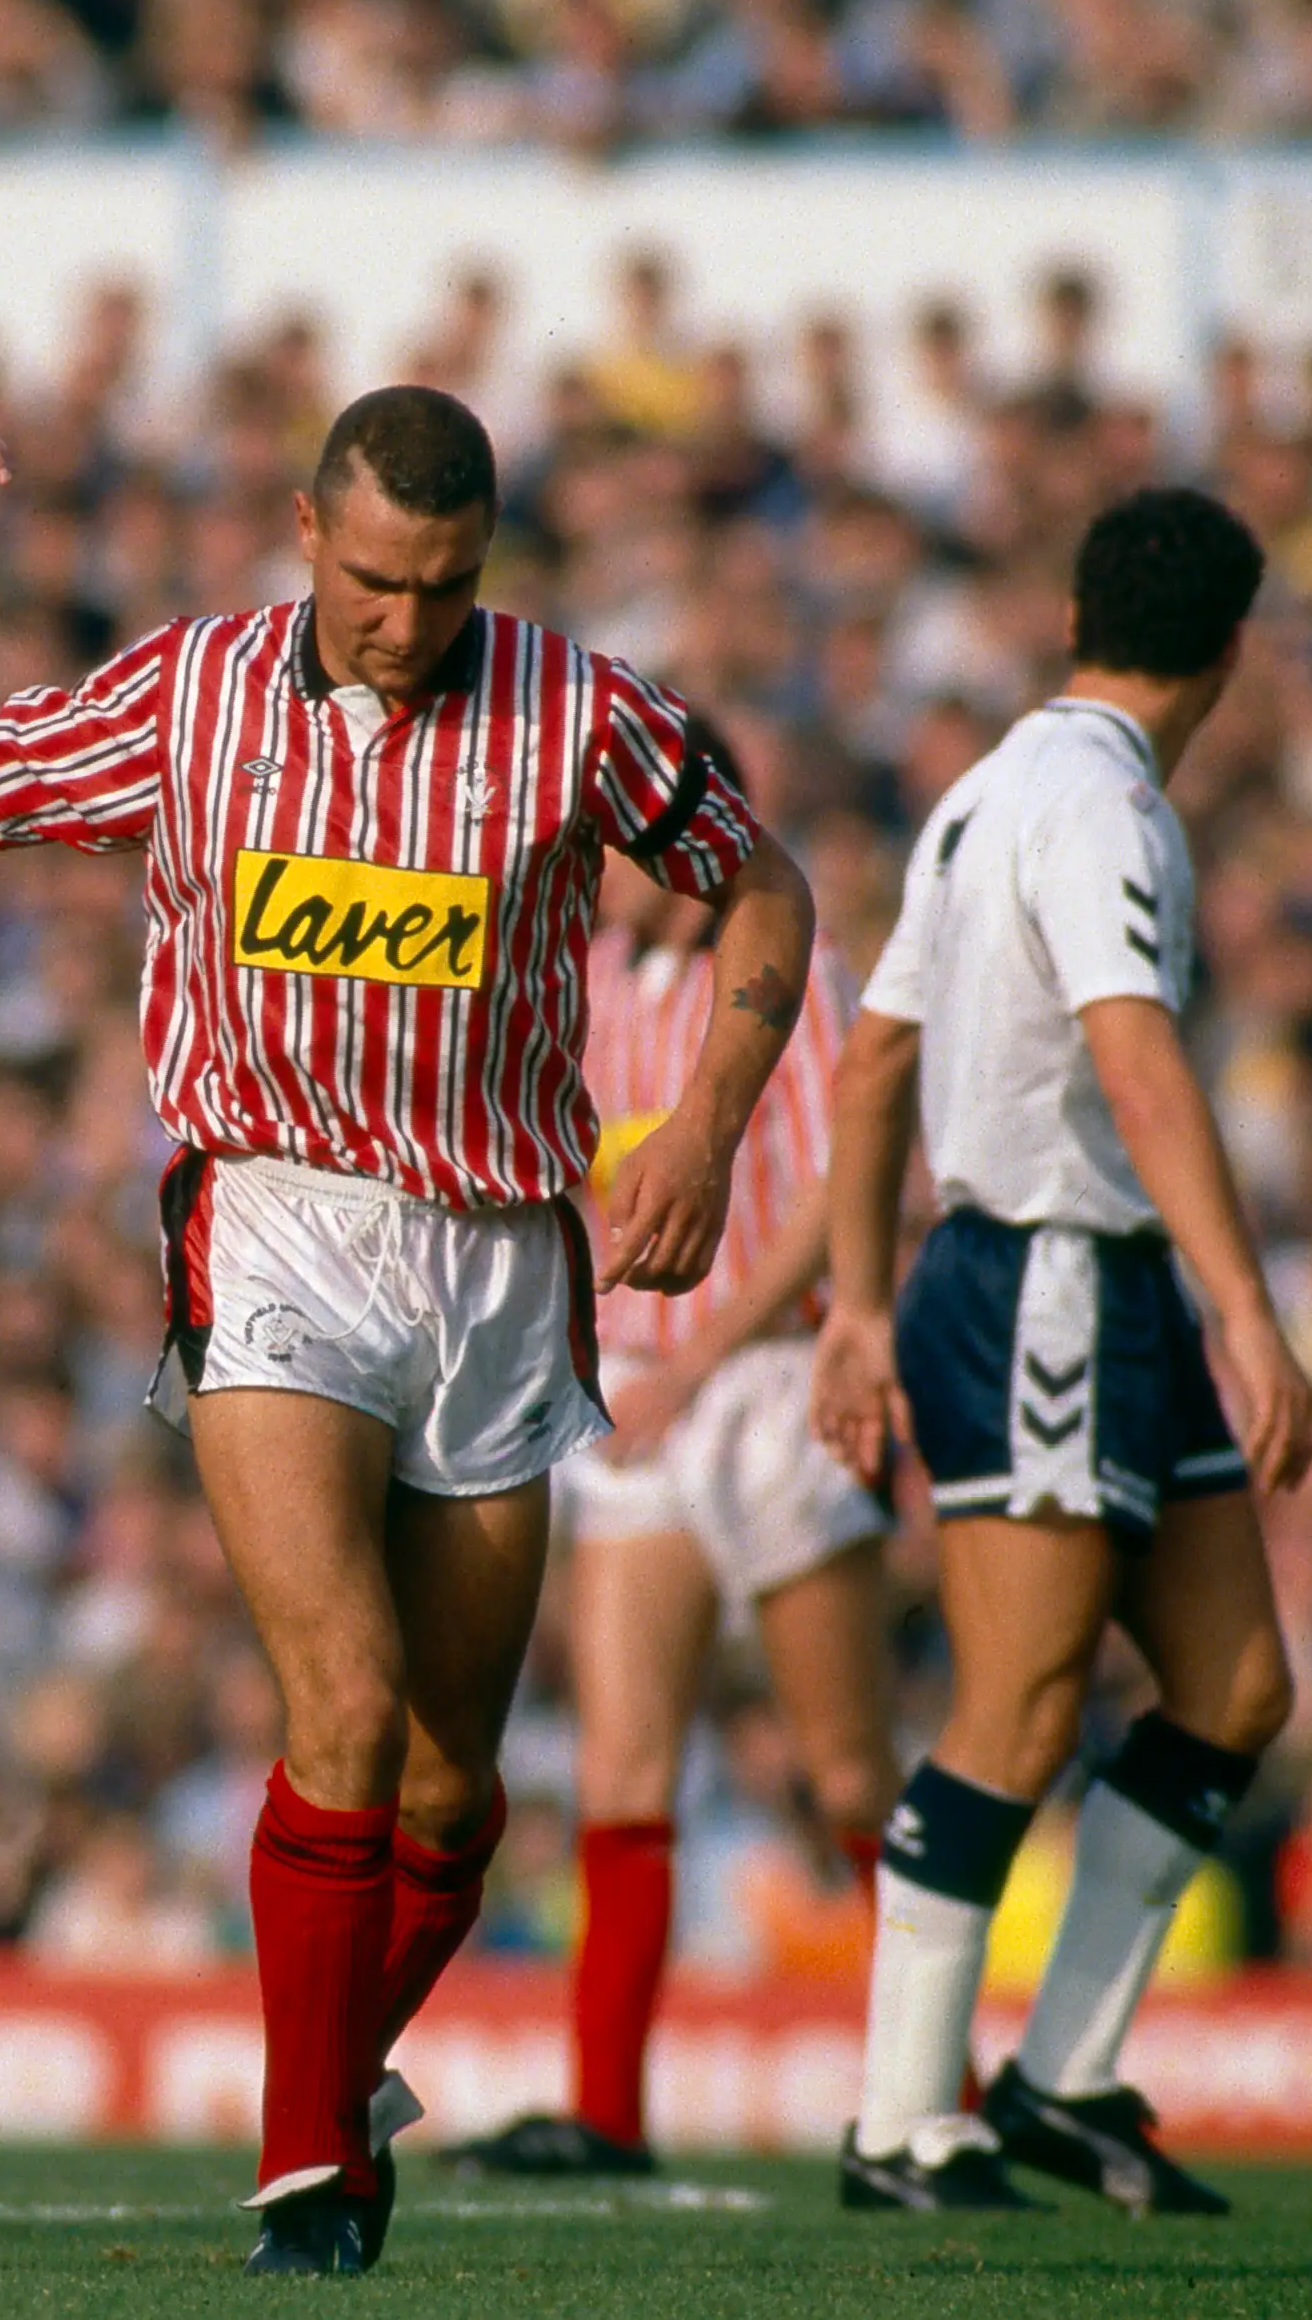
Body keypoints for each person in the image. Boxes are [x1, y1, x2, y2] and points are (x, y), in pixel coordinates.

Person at [0, 383, 817, 2273]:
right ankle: (307, 2172)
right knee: (335, 1699)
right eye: (378, 578)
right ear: (302, 524)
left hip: (500, 1252)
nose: (405, 621)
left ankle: (334, 2085)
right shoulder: (197, 690)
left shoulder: (578, 711)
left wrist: (716, 1127)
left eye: (445, 583)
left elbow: (761, 883)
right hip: (275, 1225)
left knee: (449, 1780)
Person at [811, 485, 1312, 2216]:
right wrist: (1249, 1305)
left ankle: (1061, 2072)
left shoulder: (980, 792)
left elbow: (873, 1057)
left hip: (1080, 1282)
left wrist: (856, 1302)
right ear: (1229, 654)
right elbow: (1135, 1057)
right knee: (1019, 1703)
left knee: (1236, 1687)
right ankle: (896, 2118)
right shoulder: (1100, 805)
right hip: (1043, 1274)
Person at [453, 849, 895, 2178]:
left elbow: (834, 1187)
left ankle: (951, 2084)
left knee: (845, 1772)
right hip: (635, 1399)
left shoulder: (786, 975)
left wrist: (698, 1363)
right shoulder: (583, 977)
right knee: (621, 1769)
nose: (588, 866)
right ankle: (605, 2106)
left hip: (759, 1383)